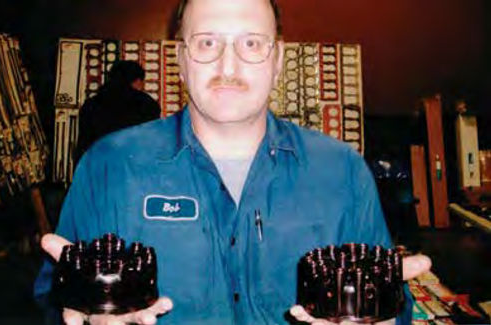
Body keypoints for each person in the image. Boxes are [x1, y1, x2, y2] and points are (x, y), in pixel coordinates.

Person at [35, 0, 432, 324]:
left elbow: (391, 305)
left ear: (277, 60)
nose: (228, 66)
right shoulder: (109, 166)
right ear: (181, 59)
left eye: (252, 44)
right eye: (208, 43)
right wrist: (82, 316)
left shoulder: (343, 170)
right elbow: (55, 299)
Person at [75, 60, 161, 164]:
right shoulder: (147, 105)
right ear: (138, 81)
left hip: (99, 168)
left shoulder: (90, 105)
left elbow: (83, 146)